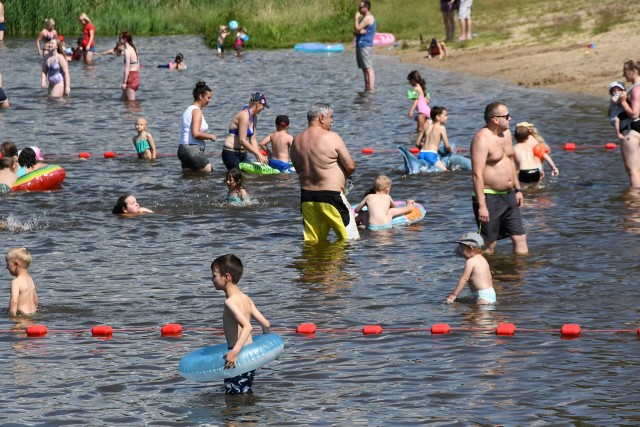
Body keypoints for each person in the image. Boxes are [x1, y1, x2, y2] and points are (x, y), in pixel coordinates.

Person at [290, 102, 360, 241]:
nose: (332, 120)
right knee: (350, 241)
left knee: (313, 242)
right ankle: (342, 263)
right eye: (330, 117)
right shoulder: (331, 136)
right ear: (322, 118)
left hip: (307, 198)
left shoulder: (296, 140)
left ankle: (315, 262)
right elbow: (350, 166)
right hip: (331, 197)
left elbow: (298, 169)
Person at [471, 102, 528, 254]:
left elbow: (510, 162)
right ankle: (485, 274)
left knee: (520, 238)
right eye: (507, 116)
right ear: (495, 119)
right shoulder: (481, 139)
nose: (510, 119)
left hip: (509, 195)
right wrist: (482, 205)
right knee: (489, 243)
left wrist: (518, 189)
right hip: (489, 196)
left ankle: (520, 276)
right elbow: (477, 173)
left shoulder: (507, 134)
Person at [211, 254, 271, 395]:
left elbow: (247, 326)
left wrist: (234, 353)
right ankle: (250, 416)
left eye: (214, 276)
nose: (212, 279)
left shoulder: (230, 302)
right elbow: (265, 323)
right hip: (250, 357)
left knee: (234, 399)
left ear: (227, 277)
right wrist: (265, 339)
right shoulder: (245, 298)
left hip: (238, 359)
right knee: (245, 392)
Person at [222, 92, 269, 171]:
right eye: (263, 106)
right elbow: (242, 140)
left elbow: (253, 139)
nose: (263, 108)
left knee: (249, 177)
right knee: (237, 178)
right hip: (231, 152)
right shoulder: (244, 115)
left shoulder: (254, 117)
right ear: (258, 104)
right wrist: (258, 153)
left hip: (243, 154)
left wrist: (258, 156)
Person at [445, 232, 496, 305]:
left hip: (482, 297)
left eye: (462, 250)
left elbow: (464, 279)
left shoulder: (470, 261)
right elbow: (490, 278)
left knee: (476, 315)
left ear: (470, 248)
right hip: (490, 292)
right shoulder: (483, 259)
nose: (461, 253)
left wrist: (454, 295)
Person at [177, 81, 217, 173]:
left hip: (182, 150)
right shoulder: (196, 111)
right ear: (200, 96)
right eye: (208, 98)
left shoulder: (188, 109)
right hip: (191, 149)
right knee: (209, 174)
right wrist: (210, 136)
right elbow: (196, 133)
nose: (210, 100)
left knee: (190, 178)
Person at [618, 59, 640, 188]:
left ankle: (635, 203)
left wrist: (622, 102)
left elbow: (634, 113)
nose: (623, 75)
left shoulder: (636, 89)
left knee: (633, 171)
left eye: (625, 72)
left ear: (633, 71)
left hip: (634, 130)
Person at [416, 106, 452, 171]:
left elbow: (417, 143)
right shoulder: (441, 128)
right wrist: (451, 151)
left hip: (421, 154)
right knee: (446, 172)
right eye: (445, 115)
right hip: (431, 155)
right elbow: (447, 146)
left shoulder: (426, 126)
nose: (447, 117)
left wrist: (423, 150)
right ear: (438, 117)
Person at [6, 247, 38, 317]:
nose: (7, 267)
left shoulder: (15, 282)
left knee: (15, 328)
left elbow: (14, 301)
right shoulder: (30, 279)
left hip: (23, 317)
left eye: (8, 264)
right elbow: (35, 299)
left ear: (16, 264)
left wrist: (12, 316)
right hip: (33, 314)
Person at [354, 1, 376, 92]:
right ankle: (366, 87)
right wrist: (358, 31)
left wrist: (355, 18)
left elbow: (357, 28)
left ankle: (371, 89)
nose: (359, 9)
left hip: (365, 45)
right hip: (360, 45)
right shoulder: (363, 18)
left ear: (366, 8)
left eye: (360, 7)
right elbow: (355, 31)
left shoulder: (368, 18)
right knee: (364, 69)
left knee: (368, 68)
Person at [407, 70, 430, 135]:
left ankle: (418, 144)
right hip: (427, 110)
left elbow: (416, 100)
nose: (410, 83)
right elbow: (427, 101)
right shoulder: (422, 88)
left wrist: (411, 110)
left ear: (413, 80)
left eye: (410, 81)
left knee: (419, 130)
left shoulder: (416, 88)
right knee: (426, 130)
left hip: (422, 111)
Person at [120, 32, 140, 101]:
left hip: (131, 76)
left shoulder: (127, 51)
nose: (119, 40)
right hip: (136, 76)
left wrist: (124, 83)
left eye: (120, 38)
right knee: (122, 100)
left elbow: (127, 67)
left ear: (125, 39)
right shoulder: (134, 49)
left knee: (131, 103)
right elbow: (138, 65)